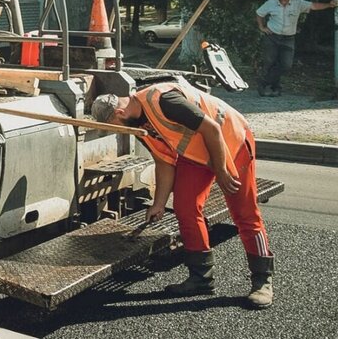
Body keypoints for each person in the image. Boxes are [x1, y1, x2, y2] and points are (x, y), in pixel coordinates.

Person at [92, 83, 274, 309]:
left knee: (244, 212)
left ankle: (262, 280)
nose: (116, 131)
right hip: (197, 153)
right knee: (185, 207)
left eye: (113, 127)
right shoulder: (138, 124)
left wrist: (221, 171)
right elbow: (164, 160)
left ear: (119, 113)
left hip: (230, 139)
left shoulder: (164, 101)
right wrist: (158, 204)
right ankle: (201, 278)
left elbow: (212, 129)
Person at [254, 0, 337, 96]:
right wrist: (262, 27)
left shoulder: (298, 3)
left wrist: (329, 5)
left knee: (286, 65)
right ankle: (275, 88)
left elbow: (313, 6)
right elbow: (259, 13)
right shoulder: (271, 3)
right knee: (270, 61)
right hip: (272, 36)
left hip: (288, 38)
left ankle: (263, 82)